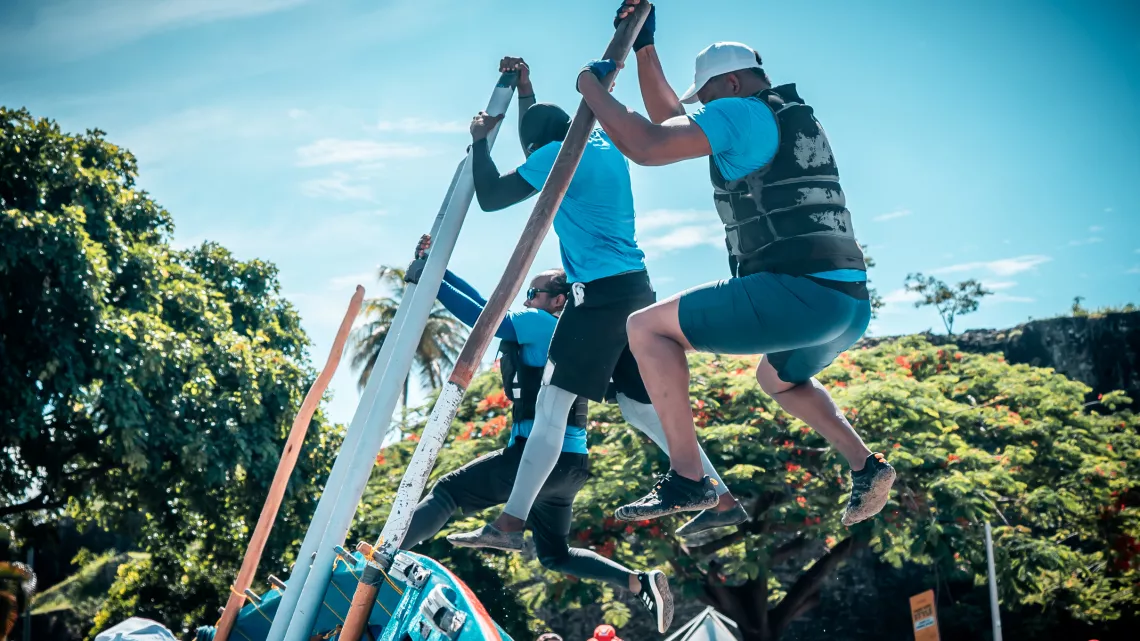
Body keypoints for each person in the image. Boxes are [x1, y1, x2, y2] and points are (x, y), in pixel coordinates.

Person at [568, 1, 896, 527]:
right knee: (777, 379)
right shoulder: (782, 115)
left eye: (706, 98)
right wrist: (646, 47)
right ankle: (865, 464)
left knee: (646, 328)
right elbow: (670, 120)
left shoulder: (740, 112)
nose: (702, 111)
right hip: (848, 305)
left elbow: (648, 144)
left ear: (734, 84)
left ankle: (688, 476)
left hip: (800, 295)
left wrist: (589, 86)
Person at [450, 55, 746, 551]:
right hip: (635, 291)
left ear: (539, 147)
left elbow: (492, 196)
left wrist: (480, 141)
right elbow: (541, 138)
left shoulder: (554, 156)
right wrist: (526, 90)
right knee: (639, 408)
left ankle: (509, 523)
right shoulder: (602, 144)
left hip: (599, 297)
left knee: (551, 406)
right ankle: (721, 499)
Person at [402, 236, 674, 633]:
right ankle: (638, 582)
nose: (527, 301)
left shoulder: (541, 323)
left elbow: (485, 318)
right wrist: (438, 271)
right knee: (555, 555)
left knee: (448, 492)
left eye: (534, 293)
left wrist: (434, 283)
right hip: (571, 467)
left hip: (536, 458)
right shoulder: (576, 336)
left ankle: (384, 553)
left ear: (558, 300)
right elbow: (490, 305)